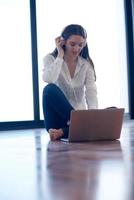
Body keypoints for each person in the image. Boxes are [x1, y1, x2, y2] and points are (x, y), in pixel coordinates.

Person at [42, 24, 98, 141]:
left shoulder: (86, 65)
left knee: (111, 109)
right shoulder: (50, 59)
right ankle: (80, 125)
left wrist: (94, 116)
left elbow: (91, 92)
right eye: (72, 44)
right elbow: (49, 79)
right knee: (49, 89)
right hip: (57, 119)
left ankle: (63, 132)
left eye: (80, 45)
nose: (76, 49)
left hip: (79, 117)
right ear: (63, 42)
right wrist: (60, 55)